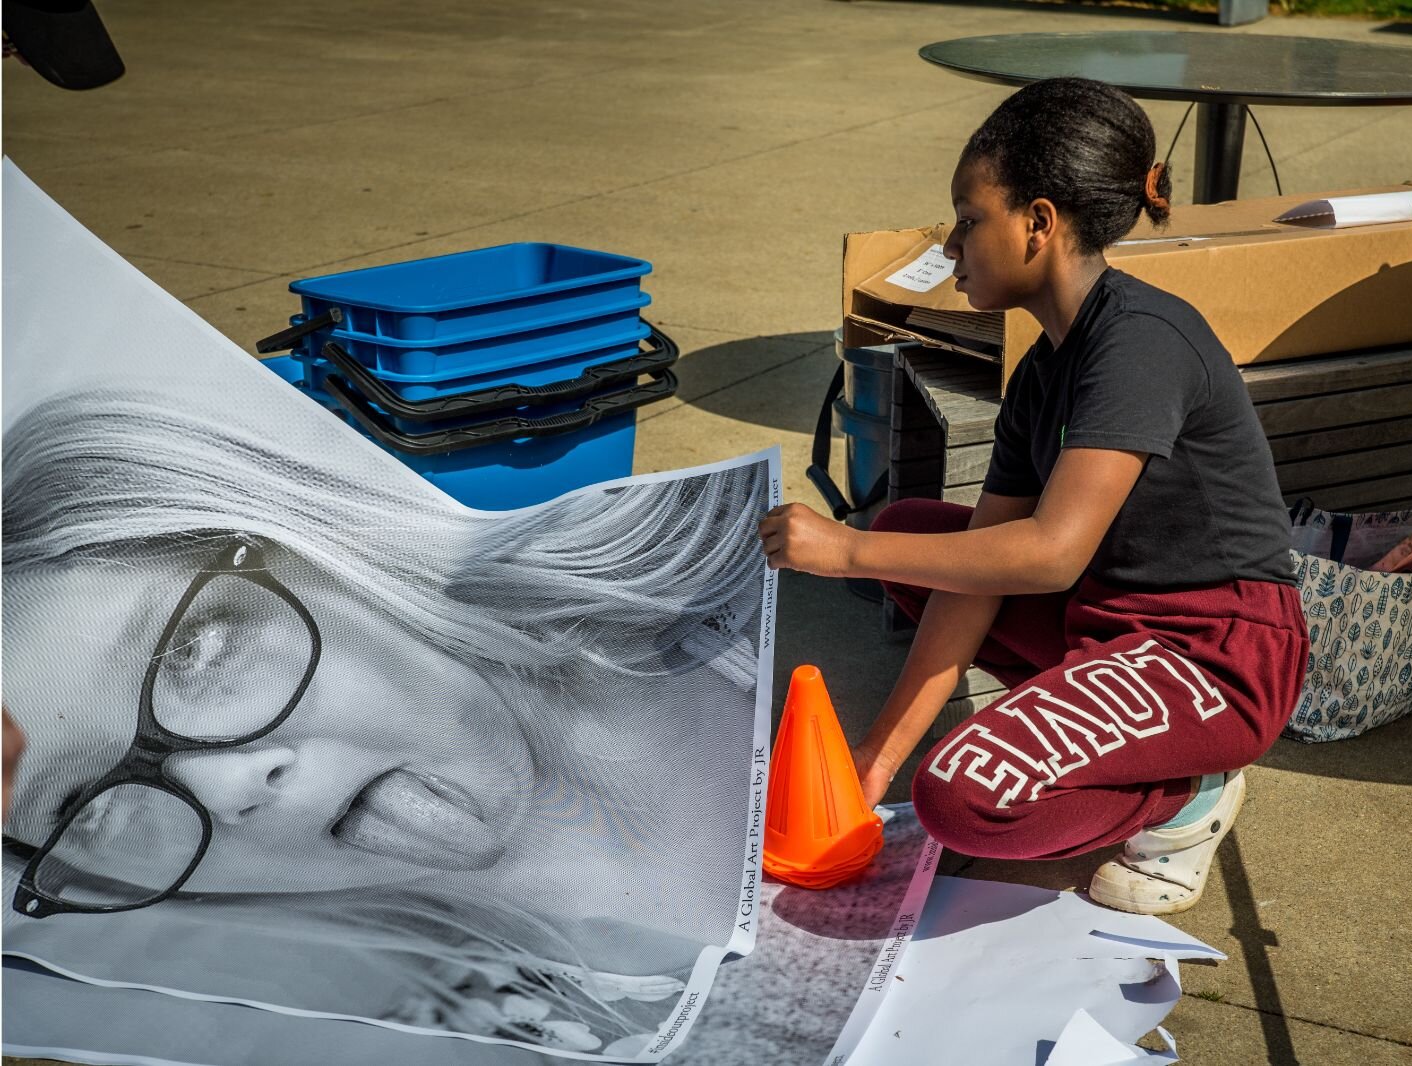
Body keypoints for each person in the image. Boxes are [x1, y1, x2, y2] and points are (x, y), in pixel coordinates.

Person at [1, 385, 769, 1056]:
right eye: (81, 807)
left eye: (193, 652)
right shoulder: (459, 1031)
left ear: (306, 543)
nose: (224, 783)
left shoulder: (791, 625)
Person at [759, 77, 1309, 916]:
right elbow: (982, 572)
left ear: (1040, 222)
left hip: (1214, 653)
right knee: (917, 531)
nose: (953, 245)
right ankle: (1093, 728)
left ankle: (1189, 794)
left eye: (970, 218)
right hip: (1112, 616)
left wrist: (846, 551)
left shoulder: (1138, 344)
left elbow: (1049, 554)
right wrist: (876, 758)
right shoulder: (1046, 367)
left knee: (961, 799)